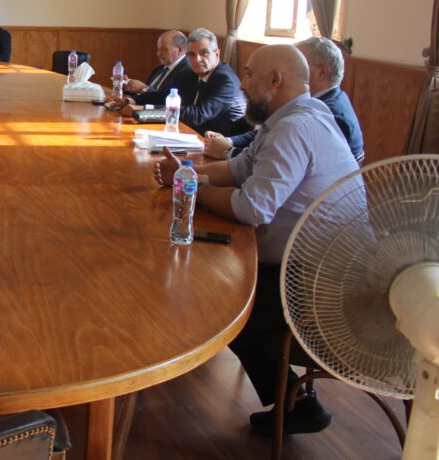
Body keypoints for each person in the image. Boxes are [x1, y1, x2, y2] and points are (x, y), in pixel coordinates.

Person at [153, 44, 360, 436]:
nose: (242, 85)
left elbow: (252, 208)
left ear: (275, 80)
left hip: (324, 285)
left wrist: (195, 189)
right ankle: (294, 401)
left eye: (248, 74)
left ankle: (297, 406)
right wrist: (188, 171)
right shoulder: (292, 117)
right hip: (303, 265)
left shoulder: (295, 128)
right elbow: (239, 167)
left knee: (227, 305)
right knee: (215, 277)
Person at [206, 37, 365, 162]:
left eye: (301, 64)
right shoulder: (319, 100)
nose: (292, 69)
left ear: (322, 72)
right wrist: (229, 141)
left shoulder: (329, 114)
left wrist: (229, 152)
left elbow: (278, 163)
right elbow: (266, 134)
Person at [122, 28, 247, 136]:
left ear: (217, 54)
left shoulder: (225, 80)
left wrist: (144, 110)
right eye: (192, 55)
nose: (197, 59)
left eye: (204, 53)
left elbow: (197, 115)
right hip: (188, 134)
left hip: (218, 145)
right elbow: (164, 96)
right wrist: (132, 101)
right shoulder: (192, 73)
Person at [107, 30, 194, 109]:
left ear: (180, 49)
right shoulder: (159, 69)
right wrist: (128, 92)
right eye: (158, 49)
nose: (158, 53)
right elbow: (147, 97)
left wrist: (143, 88)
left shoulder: (187, 71)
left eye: (164, 49)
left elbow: (167, 101)